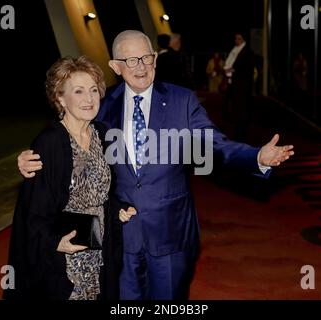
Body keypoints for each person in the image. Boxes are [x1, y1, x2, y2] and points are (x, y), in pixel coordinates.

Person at [17, 30, 294, 300]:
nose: (141, 67)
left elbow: (214, 144)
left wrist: (256, 157)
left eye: (146, 58)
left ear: (155, 59)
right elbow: (68, 133)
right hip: (119, 236)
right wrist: (30, 158)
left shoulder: (181, 100)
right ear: (116, 66)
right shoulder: (102, 104)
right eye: (131, 60)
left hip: (170, 233)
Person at [4, 56, 133, 300]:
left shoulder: (102, 134)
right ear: (60, 98)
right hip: (66, 256)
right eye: (79, 91)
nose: (89, 98)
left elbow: (105, 190)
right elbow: (33, 210)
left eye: (94, 90)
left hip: (100, 245)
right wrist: (54, 242)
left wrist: (118, 208)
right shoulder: (49, 143)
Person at [223, 32, 255, 140]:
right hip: (235, 84)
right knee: (235, 107)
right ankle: (237, 128)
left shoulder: (247, 52)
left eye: (239, 38)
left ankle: (241, 133)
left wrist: (233, 70)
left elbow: (247, 70)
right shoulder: (236, 50)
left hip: (242, 86)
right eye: (236, 38)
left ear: (243, 40)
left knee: (242, 110)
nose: (236, 40)